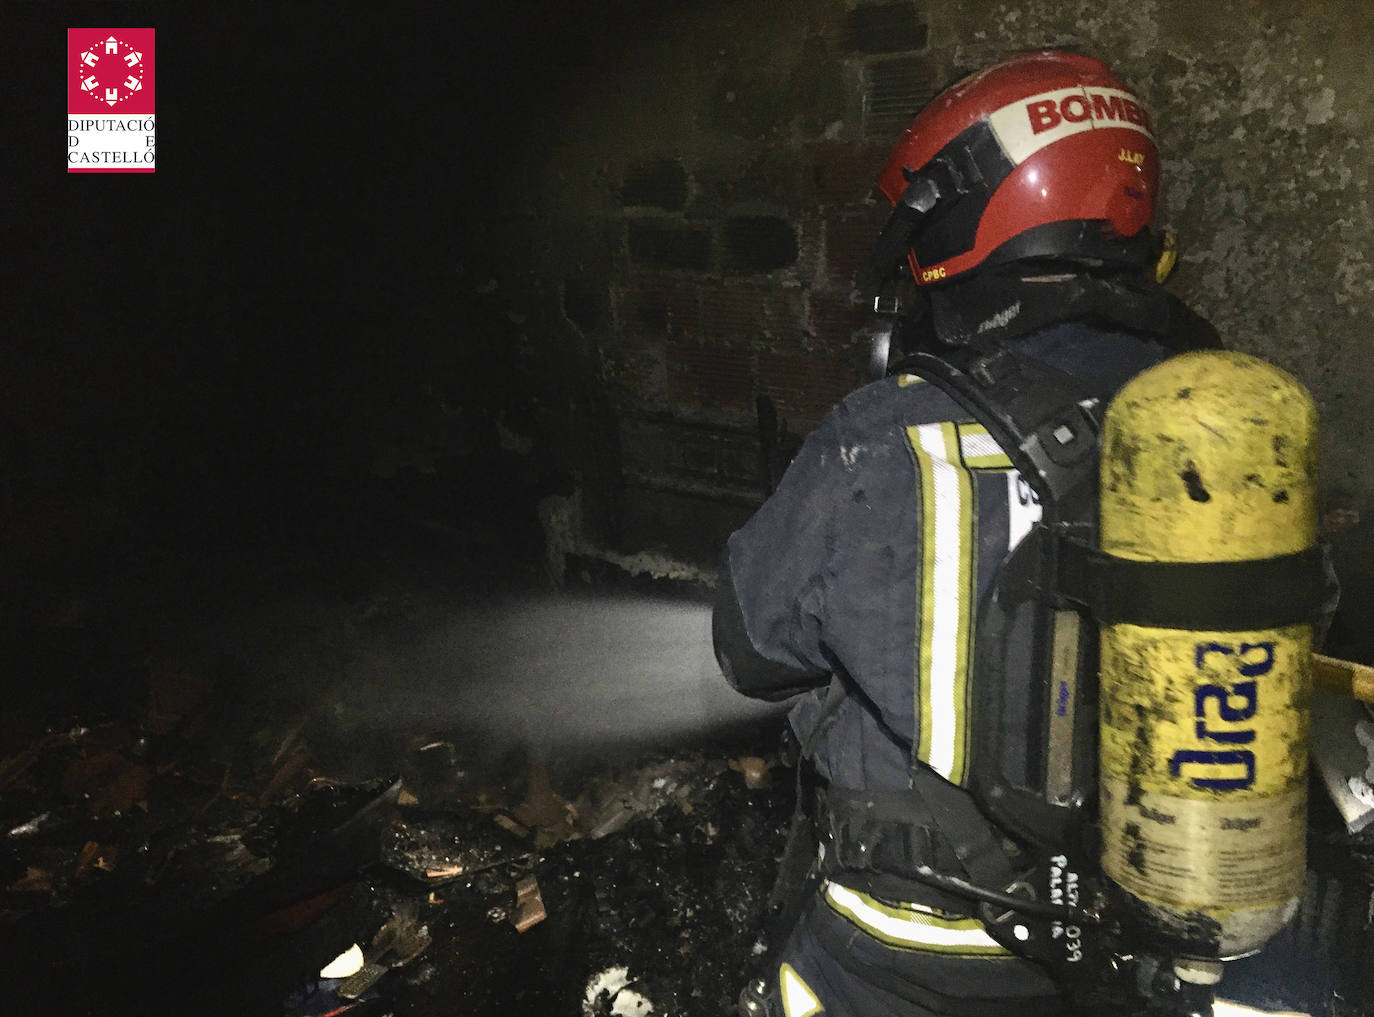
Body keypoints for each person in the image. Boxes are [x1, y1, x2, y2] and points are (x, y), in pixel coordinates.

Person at [713, 50, 1232, 1017]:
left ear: (967, 221)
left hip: (904, 956)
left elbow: (747, 644)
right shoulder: (1222, 421)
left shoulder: (886, 438)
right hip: (1134, 950)